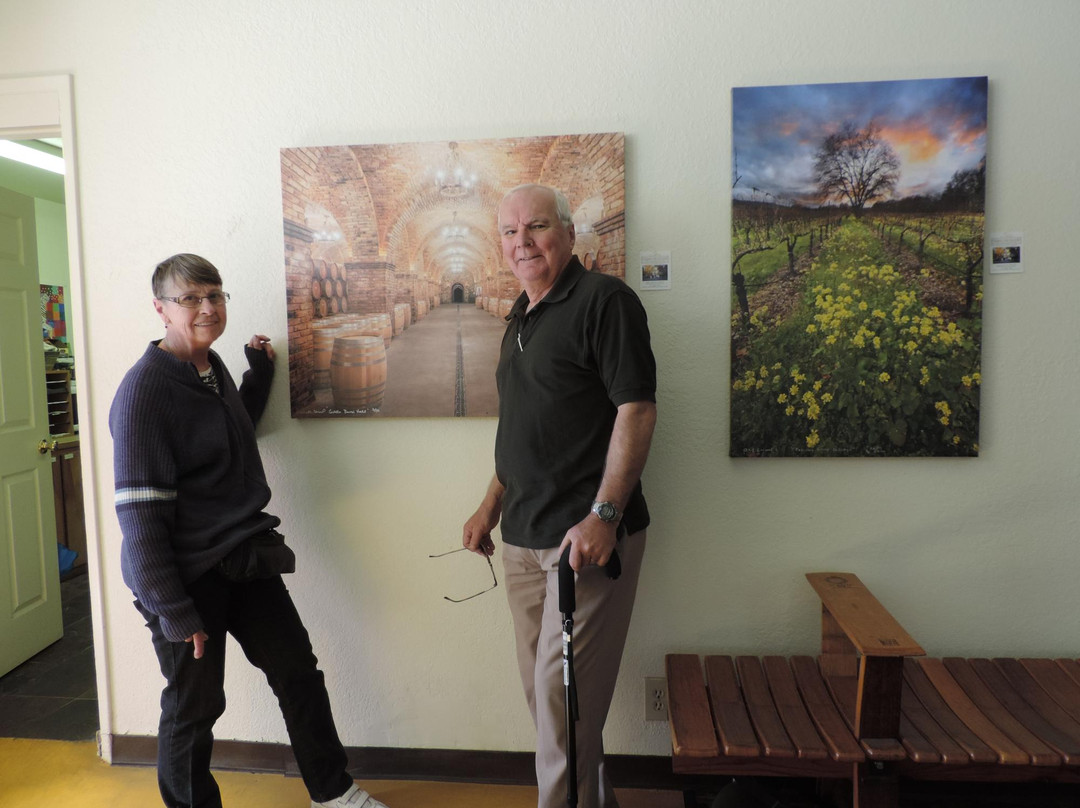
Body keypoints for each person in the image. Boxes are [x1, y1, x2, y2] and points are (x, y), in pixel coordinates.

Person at [110, 253, 387, 808]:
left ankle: (333, 792)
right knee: (195, 707)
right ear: (160, 308)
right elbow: (139, 521)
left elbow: (232, 429)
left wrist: (259, 375)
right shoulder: (145, 392)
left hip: (241, 557)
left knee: (298, 675)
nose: (207, 307)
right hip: (184, 575)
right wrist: (173, 608)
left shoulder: (210, 371)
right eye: (191, 298)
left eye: (215, 295)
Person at [462, 185, 657, 808]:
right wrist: (490, 502)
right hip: (520, 538)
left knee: (560, 703)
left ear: (569, 234)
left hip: (584, 544)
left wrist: (605, 514)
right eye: (510, 233)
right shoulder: (520, 315)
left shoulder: (606, 301)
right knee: (553, 708)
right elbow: (520, 426)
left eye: (537, 228)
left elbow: (637, 408)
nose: (523, 243)